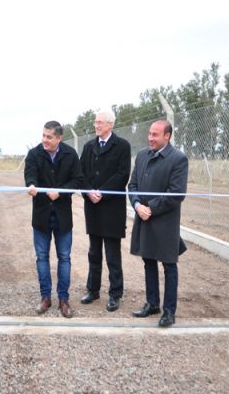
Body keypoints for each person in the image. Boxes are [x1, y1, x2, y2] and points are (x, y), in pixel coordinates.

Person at [128, 120, 188, 328]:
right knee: (148, 261)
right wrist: (136, 205)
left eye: (155, 135)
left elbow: (177, 193)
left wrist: (151, 208)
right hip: (143, 216)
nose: (150, 138)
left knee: (169, 266)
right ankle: (152, 303)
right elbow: (132, 185)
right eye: (150, 134)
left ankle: (169, 311)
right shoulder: (142, 155)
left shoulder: (178, 159)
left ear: (167, 136)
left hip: (165, 221)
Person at [24, 121, 84, 318]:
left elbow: (77, 180)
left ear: (59, 138)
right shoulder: (34, 154)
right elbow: (30, 176)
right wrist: (32, 186)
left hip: (62, 217)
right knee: (42, 257)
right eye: (43, 135)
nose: (45, 140)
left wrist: (61, 192)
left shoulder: (70, 155)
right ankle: (45, 297)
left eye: (49, 137)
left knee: (64, 258)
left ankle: (63, 299)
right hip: (41, 216)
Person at [79, 111, 131, 312]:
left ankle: (115, 294)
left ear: (110, 124)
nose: (96, 125)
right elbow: (81, 172)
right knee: (94, 252)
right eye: (95, 122)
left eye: (99, 122)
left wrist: (102, 192)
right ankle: (93, 290)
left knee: (112, 253)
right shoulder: (89, 146)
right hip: (92, 206)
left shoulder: (122, 146)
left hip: (111, 208)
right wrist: (89, 192)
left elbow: (122, 174)